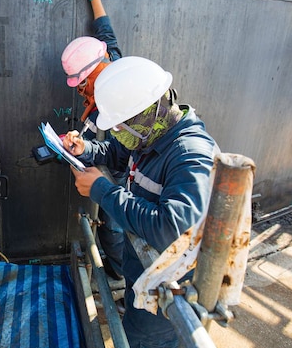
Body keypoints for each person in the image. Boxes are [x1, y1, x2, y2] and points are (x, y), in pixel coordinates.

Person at [63, 56, 217, 348]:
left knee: (142, 341)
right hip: (144, 272)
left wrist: (102, 190)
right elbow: (119, 153)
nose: (117, 132)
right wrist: (86, 149)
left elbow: (173, 230)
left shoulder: (191, 155)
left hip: (169, 292)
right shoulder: (153, 135)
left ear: (143, 115)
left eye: (120, 126)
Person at [60, 0, 125, 280]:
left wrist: (88, 152)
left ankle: (121, 275)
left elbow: (119, 155)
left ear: (94, 74)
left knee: (114, 223)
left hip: (132, 176)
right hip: (122, 160)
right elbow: (107, 34)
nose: (79, 89)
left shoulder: (122, 104)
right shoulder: (113, 65)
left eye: (81, 83)